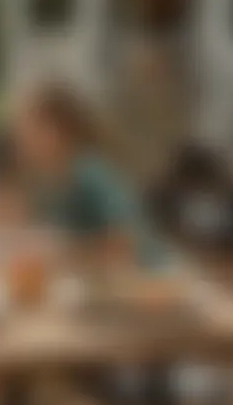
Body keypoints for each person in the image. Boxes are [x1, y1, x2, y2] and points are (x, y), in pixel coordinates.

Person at [11, 82, 175, 275]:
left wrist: (67, 255)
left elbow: (126, 242)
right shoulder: (49, 179)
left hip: (149, 276)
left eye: (32, 130)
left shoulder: (91, 173)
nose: (23, 139)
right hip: (102, 281)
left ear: (59, 133)